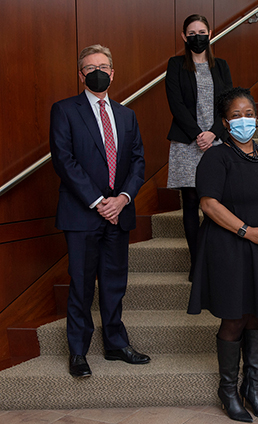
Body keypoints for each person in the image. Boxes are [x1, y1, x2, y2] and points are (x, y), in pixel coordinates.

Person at [188, 87, 258, 423]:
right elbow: (208, 204)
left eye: (248, 113)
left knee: (257, 316)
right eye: (236, 115)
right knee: (234, 318)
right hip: (231, 248)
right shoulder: (216, 157)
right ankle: (228, 389)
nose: (244, 120)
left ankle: (253, 389)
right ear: (225, 121)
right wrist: (246, 231)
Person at [49, 45, 149, 378]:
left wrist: (122, 198)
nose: (98, 72)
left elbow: (138, 162)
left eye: (104, 66)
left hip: (119, 213)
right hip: (82, 213)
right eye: (90, 67)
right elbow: (64, 160)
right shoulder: (64, 110)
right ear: (81, 75)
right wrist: (98, 201)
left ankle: (116, 344)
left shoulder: (126, 114)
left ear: (113, 72)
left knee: (113, 283)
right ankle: (78, 351)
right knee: (80, 285)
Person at [165, 14, 233, 281]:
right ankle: (197, 262)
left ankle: (214, 257)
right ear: (184, 37)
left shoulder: (222, 66)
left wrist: (214, 132)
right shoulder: (175, 65)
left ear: (210, 33)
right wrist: (197, 134)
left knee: (216, 202)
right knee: (191, 201)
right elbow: (176, 104)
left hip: (217, 141)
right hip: (187, 142)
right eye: (191, 33)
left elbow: (229, 102)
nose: (197, 37)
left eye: (201, 31)